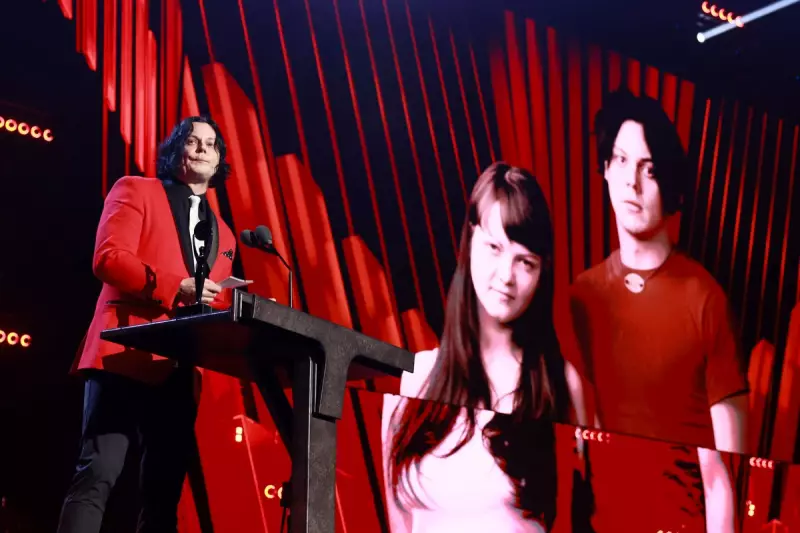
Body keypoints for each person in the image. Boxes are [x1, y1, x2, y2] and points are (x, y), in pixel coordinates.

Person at [568, 90, 749, 531]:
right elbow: (575, 444)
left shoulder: (704, 299)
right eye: (622, 161)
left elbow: (725, 474)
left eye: (649, 170)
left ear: (670, 187)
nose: (632, 182)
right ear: (605, 170)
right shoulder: (582, 296)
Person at [57, 116, 238, 533]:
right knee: (97, 475)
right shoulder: (135, 189)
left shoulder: (225, 234)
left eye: (210, 143)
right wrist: (178, 287)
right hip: (125, 349)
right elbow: (109, 259)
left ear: (219, 161)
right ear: (176, 150)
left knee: (163, 495)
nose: (201, 148)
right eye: (191, 140)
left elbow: (213, 298)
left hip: (177, 367)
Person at [381, 162, 573, 533]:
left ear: (541, 272)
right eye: (494, 247)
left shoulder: (560, 385)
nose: (506, 275)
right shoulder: (411, 379)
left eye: (525, 261)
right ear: (469, 243)